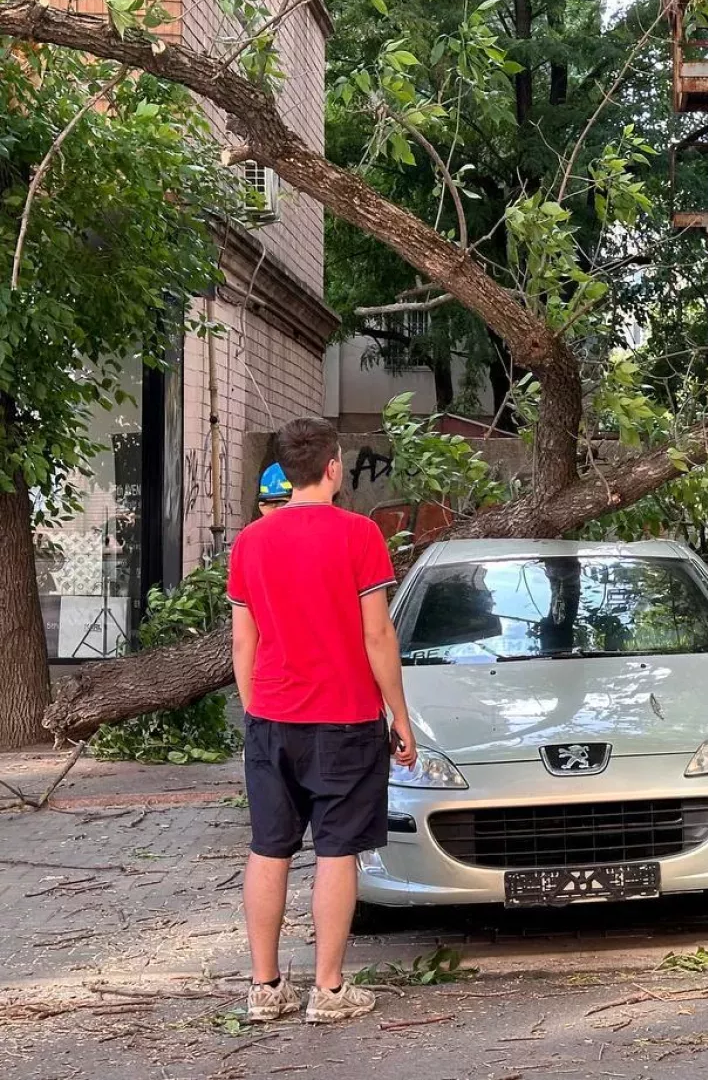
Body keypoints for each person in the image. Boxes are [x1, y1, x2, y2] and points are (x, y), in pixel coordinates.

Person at [228, 417, 419, 1024]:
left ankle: (265, 987)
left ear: (287, 472)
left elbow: (242, 643)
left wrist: (257, 708)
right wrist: (401, 716)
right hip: (345, 718)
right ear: (334, 468)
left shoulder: (251, 542)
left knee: (268, 849)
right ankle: (329, 991)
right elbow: (378, 634)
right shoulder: (360, 535)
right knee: (337, 852)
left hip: (271, 719)